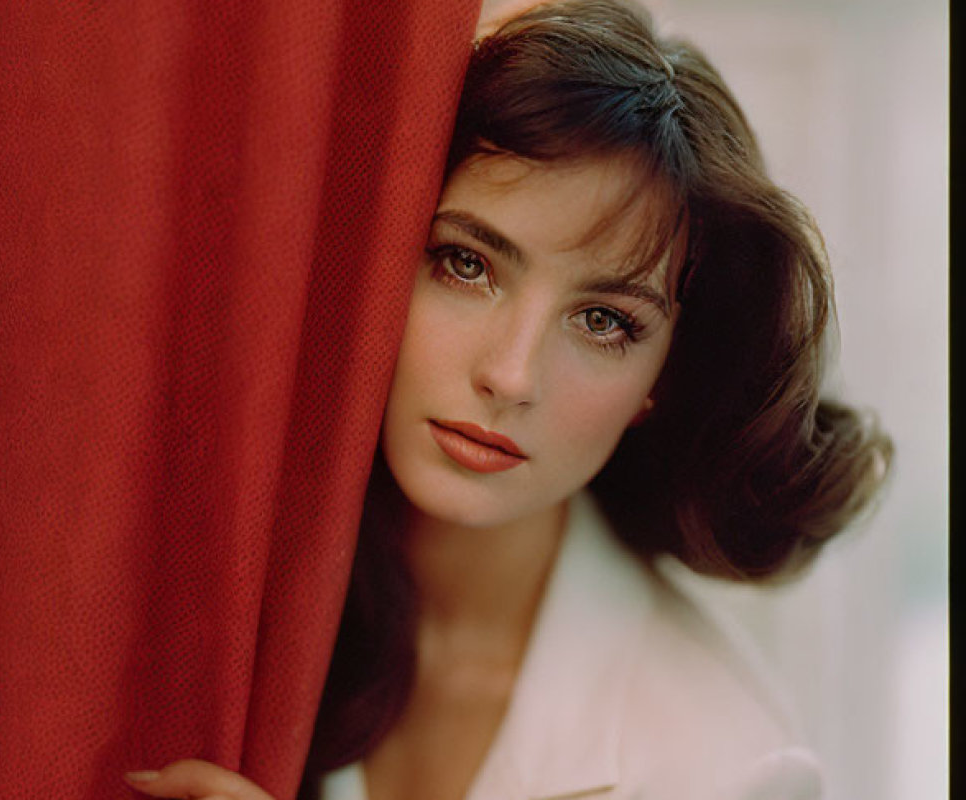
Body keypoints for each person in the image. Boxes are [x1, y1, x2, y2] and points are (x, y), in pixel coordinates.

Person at [122, 1, 892, 798]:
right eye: (465, 264)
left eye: (604, 322)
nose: (512, 375)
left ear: (660, 381)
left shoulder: (722, 765)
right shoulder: (224, 590)